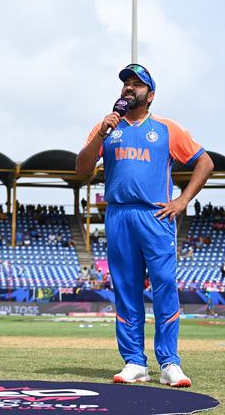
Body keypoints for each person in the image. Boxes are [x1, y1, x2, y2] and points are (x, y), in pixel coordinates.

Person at [76, 63, 213, 388]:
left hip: (156, 216)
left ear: (150, 95)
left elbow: (204, 163)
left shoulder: (166, 129)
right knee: (126, 289)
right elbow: (81, 168)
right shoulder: (106, 127)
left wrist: (182, 200)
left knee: (165, 285)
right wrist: (102, 134)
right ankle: (135, 361)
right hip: (118, 215)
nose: (129, 88)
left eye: (137, 84)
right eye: (126, 83)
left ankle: (170, 363)